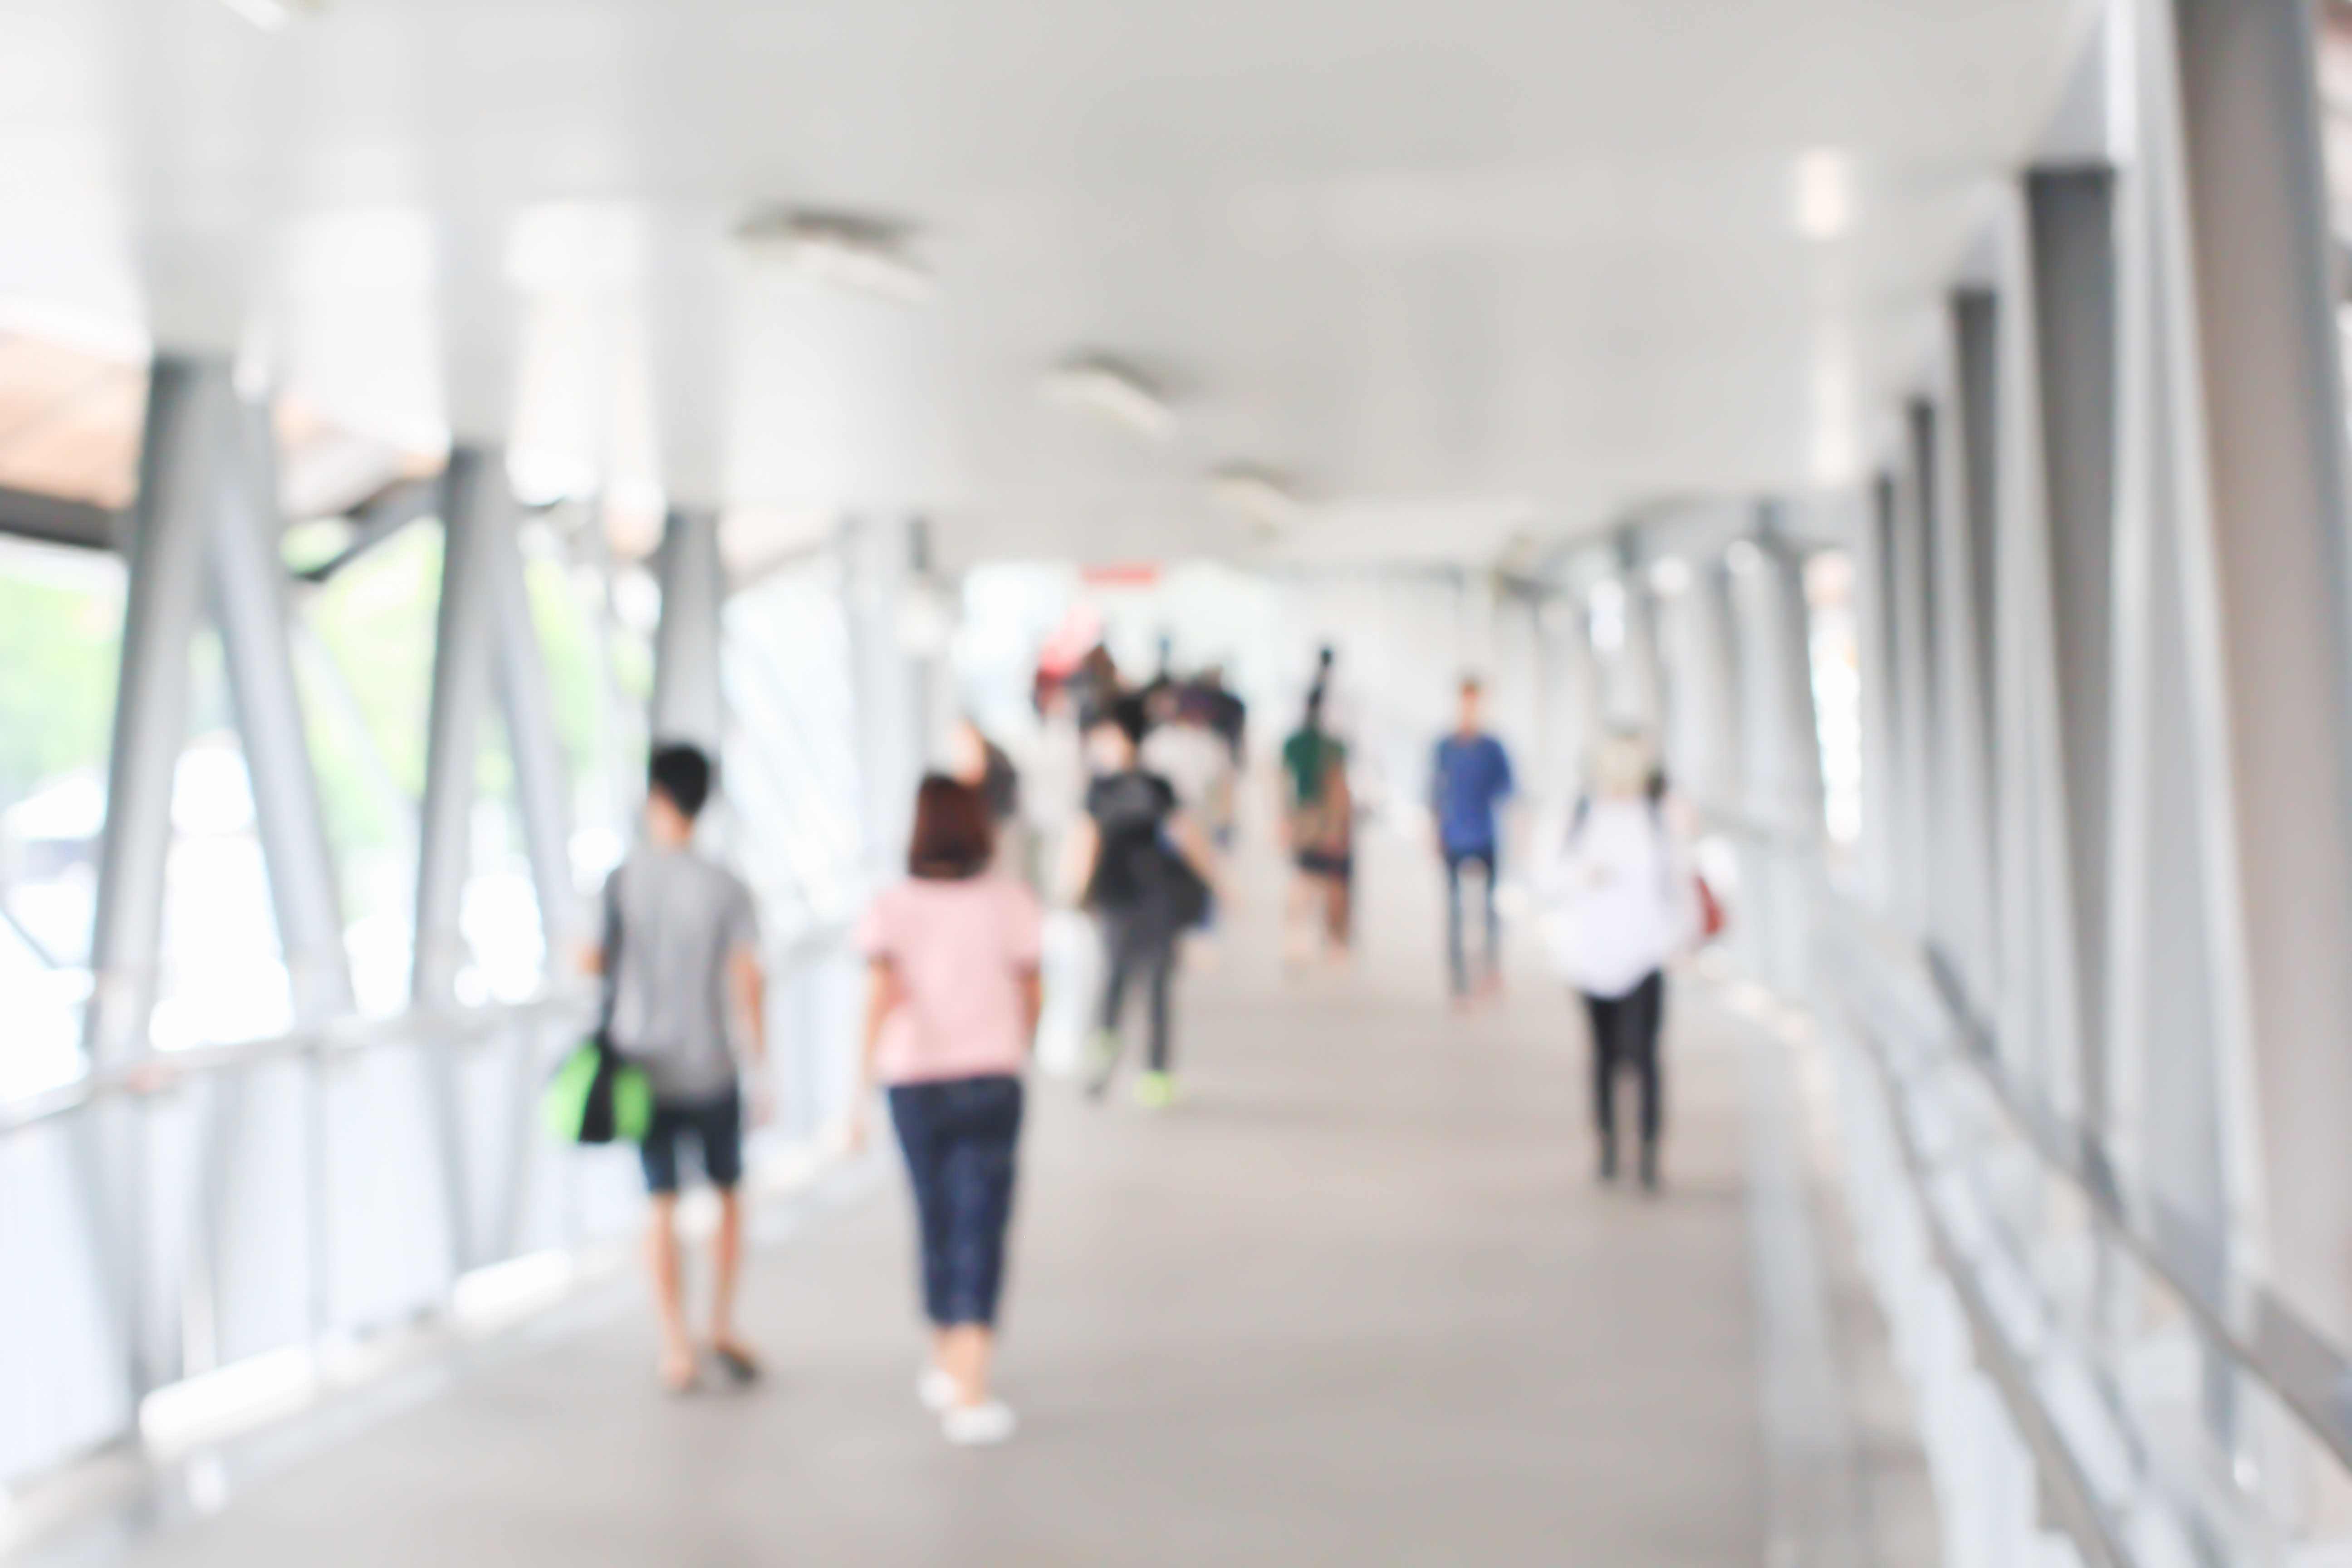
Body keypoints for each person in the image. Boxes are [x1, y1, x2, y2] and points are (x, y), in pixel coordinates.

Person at [853, 775, 1043, 1446]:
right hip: (992, 1073)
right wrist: (1020, 1044)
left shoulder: (893, 906)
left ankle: (947, 1354)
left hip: (915, 1081)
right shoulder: (1009, 902)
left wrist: (856, 1096)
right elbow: (1031, 986)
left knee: (934, 1214)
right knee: (981, 1221)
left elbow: (879, 999)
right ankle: (970, 1383)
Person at [587, 743, 768, 1394]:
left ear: (655, 797)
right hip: (712, 1064)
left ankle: (674, 1345)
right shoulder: (726, 885)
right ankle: (721, 1322)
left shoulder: (621, 880)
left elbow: (589, 962)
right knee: (727, 1196)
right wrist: (762, 1063)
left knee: (659, 1201)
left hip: (642, 1067)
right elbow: (748, 976)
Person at [1544, 732, 1695, 1192]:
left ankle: (1648, 1151)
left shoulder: (1658, 818)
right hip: (1591, 955)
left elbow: (1679, 882)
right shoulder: (1581, 814)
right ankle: (1608, 1144)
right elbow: (1548, 873)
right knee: (1604, 1053)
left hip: (1646, 955)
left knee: (1645, 1054)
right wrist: (1583, 876)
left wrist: (1677, 940)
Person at [1063, 694, 1216, 1107]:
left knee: (1148, 985)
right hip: (1125, 895)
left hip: (1149, 894)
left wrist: (1215, 881)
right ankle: (1112, 1063)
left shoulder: (1140, 785)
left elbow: (1184, 835)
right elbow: (1087, 843)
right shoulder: (1113, 786)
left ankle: (1155, 1074)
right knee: (1119, 981)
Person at [1431, 677, 1516, 1004]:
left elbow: (1508, 791)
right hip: (1454, 836)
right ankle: (1459, 982)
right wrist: (1434, 832)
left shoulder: (1493, 748)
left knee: (1489, 909)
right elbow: (1435, 792)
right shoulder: (1444, 747)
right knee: (1455, 910)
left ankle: (1491, 970)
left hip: (1485, 835)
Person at [1279, 690, 1354, 962]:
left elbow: (1283, 782)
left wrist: (1284, 820)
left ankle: (1301, 940)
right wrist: (1338, 827)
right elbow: (1338, 788)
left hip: (1304, 818)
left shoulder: (1295, 743)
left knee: (1306, 878)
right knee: (1330, 881)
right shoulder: (1332, 747)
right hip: (1323, 820)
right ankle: (1332, 941)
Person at [1142, 685, 1236, 851]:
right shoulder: (1159, 742)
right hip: (1169, 824)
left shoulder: (1211, 743)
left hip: (1199, 823)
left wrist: (1224, 823)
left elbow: (1224, 787)